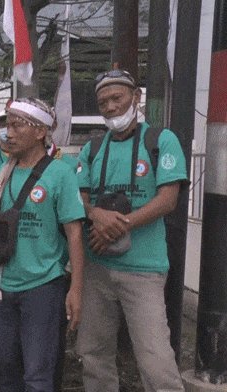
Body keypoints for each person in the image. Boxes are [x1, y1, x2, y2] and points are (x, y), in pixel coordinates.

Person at [75, 69, 187, 392]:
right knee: (94, 355)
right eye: (102, 102)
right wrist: (96, 214)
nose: (109, 107)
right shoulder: (92, 149)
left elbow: (168, 200)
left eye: (116, 98)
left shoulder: (161, 141)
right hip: (97, 268)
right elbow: (78, 201)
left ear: (135, 97)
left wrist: (116, 225)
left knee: (155, 360)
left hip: (144, 270)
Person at [0, 98, 85, 392]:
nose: (7, 133)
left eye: (16, 126)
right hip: (3, 286)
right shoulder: (5, 172)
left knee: (38, 375)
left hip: (43, 287)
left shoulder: (60, 173)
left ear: (40, 132)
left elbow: (75, 233)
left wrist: (76, 288)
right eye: (6, 126)